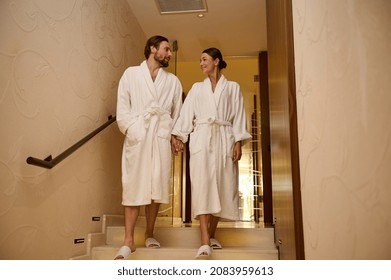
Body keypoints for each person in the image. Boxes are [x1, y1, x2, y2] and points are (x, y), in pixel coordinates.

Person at [172, 47, 252, 258]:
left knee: (222, 185)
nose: (201, 63)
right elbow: (186, 115)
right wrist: (179, 137)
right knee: (203, 186)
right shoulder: (197, 88)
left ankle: (212, 234)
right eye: (199, 60)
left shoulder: (232, 87)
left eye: (204, 59)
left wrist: (237, 141)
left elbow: (238, 115)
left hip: (224, 138)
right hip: (202, 139)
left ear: (216, 61)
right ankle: (204, 240)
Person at [114, 35, 183, 260]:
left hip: (160, 136)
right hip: (139, 134)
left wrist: (175, 136)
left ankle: (150, 233)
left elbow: (178, 112)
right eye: (166, 49)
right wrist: (133, 130)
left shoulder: (172, 81)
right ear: (153, 49)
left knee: (155, 188)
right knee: (133, 185)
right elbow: (123, 107)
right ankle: (128, 241)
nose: (170, 54)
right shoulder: (131, 74)